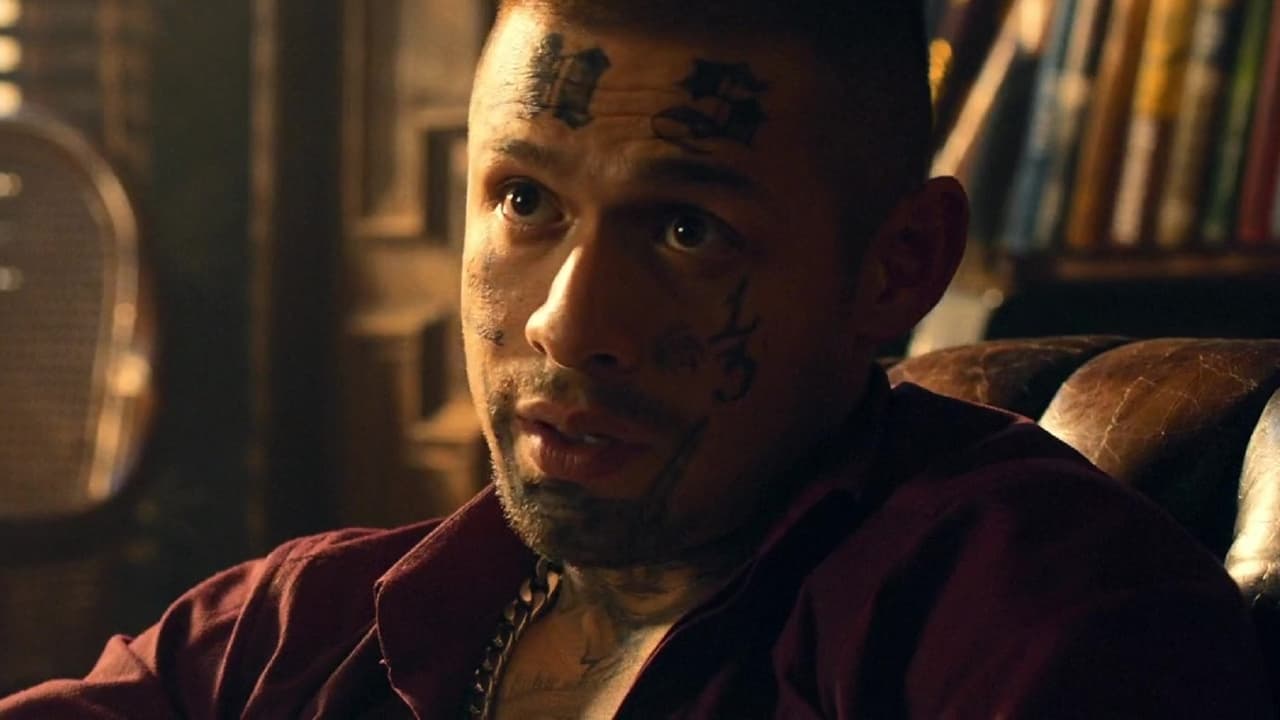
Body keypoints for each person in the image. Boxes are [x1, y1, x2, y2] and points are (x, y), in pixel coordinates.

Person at [2, 1, 1273, 717]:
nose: (566, 322)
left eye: (685, 228)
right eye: (524, 202)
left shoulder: (1033, 620)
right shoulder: (295, 634)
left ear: (897, 266)